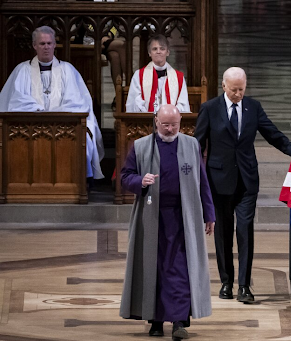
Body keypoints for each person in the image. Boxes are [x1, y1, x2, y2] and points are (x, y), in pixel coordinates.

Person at [194, 67, 291, 303]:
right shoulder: (209, 109)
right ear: (224, 86)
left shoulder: (253, 107)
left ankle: (244, 286)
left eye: (242, 89)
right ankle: (226, 283)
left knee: (245, 231)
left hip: (247, 180)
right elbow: (197, 144)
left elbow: (272, 134)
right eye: (234, 89)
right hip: (219, 181)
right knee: (224, 233)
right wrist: (192, 175)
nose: (238, 94)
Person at [119, 104, 215, 338]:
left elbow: (202, 181)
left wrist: (209, 214)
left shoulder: (191, 145)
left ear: (181, 122)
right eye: (166, 125)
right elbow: (125, 176)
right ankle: (155, 321)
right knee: (155, 269)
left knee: (181, 270)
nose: (170, 129)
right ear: (156, 121)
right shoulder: (141, 146)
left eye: (175, 124)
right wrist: (141, 181)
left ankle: (180, 322)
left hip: (184, 219)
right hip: (152, 219)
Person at [0, 26, 104, 180]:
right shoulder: (22, 70)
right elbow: (16, 101)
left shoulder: (68, 70)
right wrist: (38, 111)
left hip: (64, 124)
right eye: (42, 44)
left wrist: (55, 115)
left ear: (55, 45)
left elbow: (77, 102)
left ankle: (74, 182)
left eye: (49, 43)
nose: (46, 47)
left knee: (84, 137)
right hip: (30, 124)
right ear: (34, 46)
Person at [126, 34, 190, 113]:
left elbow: (182, 104)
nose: (158, 52)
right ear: (149, 53)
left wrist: (168, 115)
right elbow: (135, 102)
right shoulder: (138, 75)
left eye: (162, 49)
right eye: (154, 49)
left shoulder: (179, 77)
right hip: (146, 121)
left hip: (170, 121)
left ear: (168, 52)